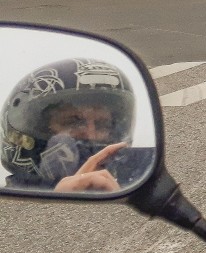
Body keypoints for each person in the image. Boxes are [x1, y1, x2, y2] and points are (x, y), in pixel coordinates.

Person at [1, 57, 140, 192]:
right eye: (73, 122)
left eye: (102, 124)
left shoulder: (123, 192)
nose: (91, 135)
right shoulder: (8, 207)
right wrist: (55, 205)